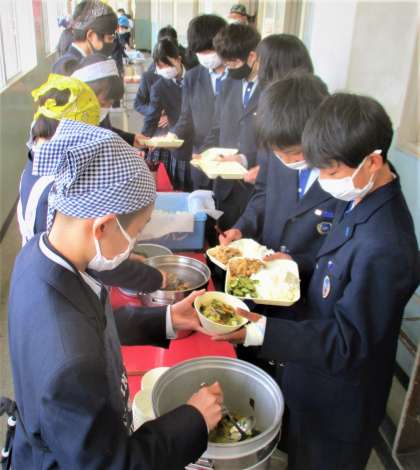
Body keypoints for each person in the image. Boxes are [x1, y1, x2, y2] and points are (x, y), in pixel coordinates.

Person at [214, 93, 420, 470]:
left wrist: (260, 331)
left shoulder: (387, 245)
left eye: (331, 172)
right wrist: (297, 262)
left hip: (340, 404)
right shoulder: (361, 198)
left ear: (373, 162)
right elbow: (339, 263)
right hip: (312, 377)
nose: (324, 181)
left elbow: (349, 342)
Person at [9, 119, 223, 469]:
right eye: (136, 232)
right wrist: (194, 418)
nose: (133, 245)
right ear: (103, 225)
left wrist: (167, 319)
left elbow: (92, 325)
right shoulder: (70, 364)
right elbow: (113, 464)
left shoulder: (38, 256)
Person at [18, 74, 163, 293]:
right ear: (74, 131)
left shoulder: (37, 161)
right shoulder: (57, 188)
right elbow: (91, 254)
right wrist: (152, 278)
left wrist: (121, 254)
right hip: (63, 287)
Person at [220, 74, 335, 288]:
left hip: (312, 282)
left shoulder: (340, 172)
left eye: (295, 153)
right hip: (267, 272)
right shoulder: (275, 145)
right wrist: (243, 227)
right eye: (279, 154)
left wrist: (299, 262)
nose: (287, 160)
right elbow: (263, 193)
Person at [199, 23, 261, 230]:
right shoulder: (228, 84)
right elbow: (217, 126)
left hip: (255, 186)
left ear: (252, 56)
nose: (229, 69)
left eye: (233, 63)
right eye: (226, 64)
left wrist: (244, 158)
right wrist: (204, 153)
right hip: (225, 186)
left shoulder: (272, 90)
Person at [168, 14, 227, 190]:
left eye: (209, 50)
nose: (206, 56)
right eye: (200, 52)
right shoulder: (193, 77)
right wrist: (173, 135)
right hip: (201, 156)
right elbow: (186, 117)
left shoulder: (237, 76)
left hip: (229, 159)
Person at [142, 39, 193, 191]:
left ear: (178, 59)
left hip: (201, 141)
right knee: (180, 188)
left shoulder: (196, 77)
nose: (165, 70)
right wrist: (145, 140)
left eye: (168, 64)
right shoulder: (159, 87)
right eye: (160, 66)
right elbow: (152, 117)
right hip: (178, 146)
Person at [72, 53, 145, 147]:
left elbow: (106, 130)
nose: (105, 109)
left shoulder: (96, 111)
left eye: (110, 104)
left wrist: (132, 138)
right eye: (103, 104)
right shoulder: (70, 123)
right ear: (86, 93)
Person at [53, 0, 117, 76]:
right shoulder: (68, 67)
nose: (112, 43)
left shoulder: (84, 61)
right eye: (110, 38)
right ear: (91, 36)